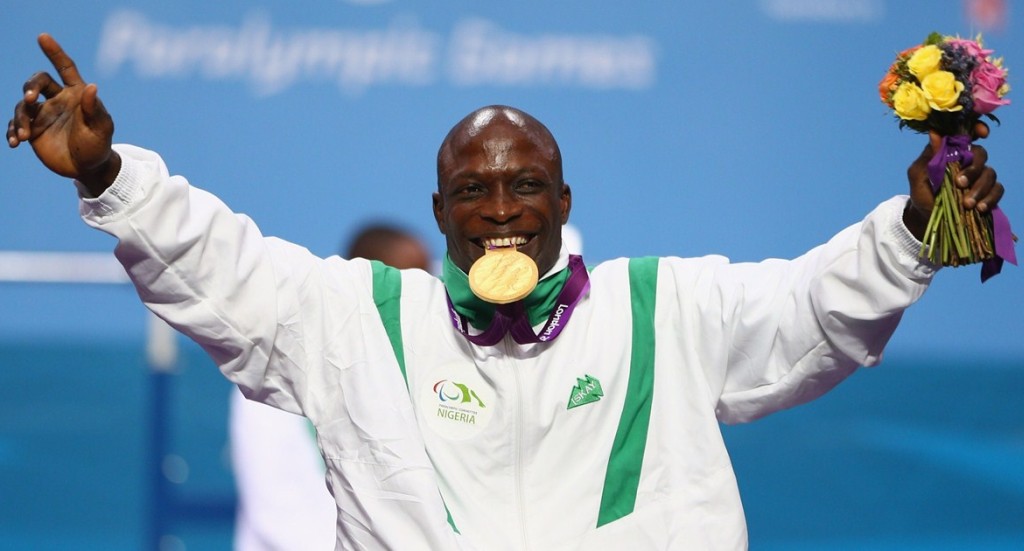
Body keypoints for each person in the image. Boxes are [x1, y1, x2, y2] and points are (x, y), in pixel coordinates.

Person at [8, 34, 1008, 551]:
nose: (499, 209)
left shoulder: (662, 309)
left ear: (562, 200)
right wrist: (112, 179)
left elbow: (809, 311)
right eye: (472, 190)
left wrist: (914, 230)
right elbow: (219, 264)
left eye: (523, 184)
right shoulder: (360, 320)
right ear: (440, 213)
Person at [229, 224, 432, 551]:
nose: (424, 298)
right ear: (369, 286)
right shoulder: (281, 363)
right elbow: (277, 509)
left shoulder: (420, 372)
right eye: (410, 283)